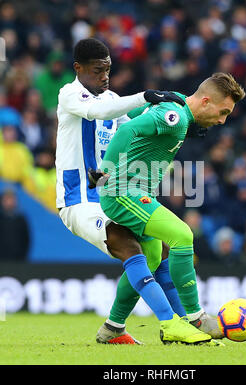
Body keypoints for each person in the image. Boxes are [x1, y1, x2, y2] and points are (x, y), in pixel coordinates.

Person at [56, 38, 215, 346]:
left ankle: (115, 328)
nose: (105, 76)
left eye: (108, 70)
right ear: (79, 69)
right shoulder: (70, 95)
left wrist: (187, 120)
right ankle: (170, 323)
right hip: (79, 201)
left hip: (110, 194)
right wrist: (144, 95)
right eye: (98, 70)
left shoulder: (113, 99)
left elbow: (140, 119)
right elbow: (99, 113)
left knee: (160, 252)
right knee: (129, 246)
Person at [97, 72, 245, 344]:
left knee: (151, 260)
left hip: (138, 192)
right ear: (205, 101)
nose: (223, 120)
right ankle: (195, 317)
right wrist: (104, 170)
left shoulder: (176, 110)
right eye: (222, 112)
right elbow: (128, 129)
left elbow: (132, 115)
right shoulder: (173, 117)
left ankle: (113, 327)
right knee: (182, 235)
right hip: (122, 192)